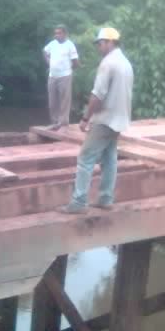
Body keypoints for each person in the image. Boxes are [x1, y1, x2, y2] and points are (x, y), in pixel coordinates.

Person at [59, 27, 133, 214]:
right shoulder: (125, 63)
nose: (99, 47)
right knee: (109, 158)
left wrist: (85, 118)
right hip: (120, 119)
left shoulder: (108, 63)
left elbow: (97, 96)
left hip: (105, 119)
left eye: (100, 43)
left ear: (109, 42)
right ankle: (105, 198)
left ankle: (79, 202)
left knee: (85, 157)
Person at [43, 25, 79, 130]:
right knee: (52, 101)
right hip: (52, 76)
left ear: (64, 34)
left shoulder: (70, 45)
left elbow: (76, 61)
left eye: (59, 33)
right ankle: (54, 122)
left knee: (64, 100)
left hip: (65, 76)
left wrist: (68, 69)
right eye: (55, 33)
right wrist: (48, 62)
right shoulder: (52, 44)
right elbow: (44, 51)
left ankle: (63, 124)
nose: (56, 35)